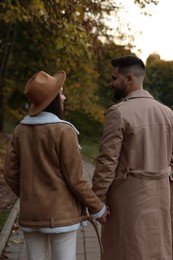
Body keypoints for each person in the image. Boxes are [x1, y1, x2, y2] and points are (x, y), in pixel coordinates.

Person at [3, 70, 110, 260]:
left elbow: (10, 174)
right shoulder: (63, 130)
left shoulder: (20, 130)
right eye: (61, 93)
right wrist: (98, 208)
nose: (64, 96)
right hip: (62, 216)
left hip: (32, 214)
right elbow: (76, 180)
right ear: (53, 100)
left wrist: (31, 195)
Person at [92, 56, 173, 260]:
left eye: (114, 78)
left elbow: (107, 163)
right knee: (156, 250)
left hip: (128, 201)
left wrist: (96, 202)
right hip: (162, 198)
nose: (110, 83)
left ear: (129, 79)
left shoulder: (118, 113)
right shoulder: (168, 114)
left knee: (125, 251)